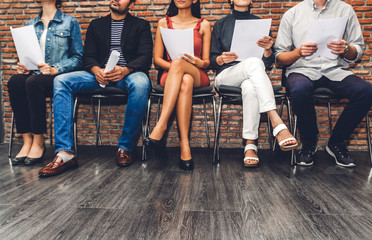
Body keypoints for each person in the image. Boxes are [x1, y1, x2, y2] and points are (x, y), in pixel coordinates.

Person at [38, 0, 152, 177]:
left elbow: (145, 57)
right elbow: (88, 56)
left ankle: (125, 148)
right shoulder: (96, 25)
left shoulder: (141, 25)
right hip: (97, 74)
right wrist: (95, 70)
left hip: (128, 74)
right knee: (61, 80)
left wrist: (125, 69)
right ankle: (65, 153)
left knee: (141, 83)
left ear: (132, 4)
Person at [275, 0, 372, 167]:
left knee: (366, 90)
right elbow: (279, 57)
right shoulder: (292, 14)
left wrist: (347, 48)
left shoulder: (346, 10)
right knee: (299, 88)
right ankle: (309, 143)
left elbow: (358, 50)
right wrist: (298, 52)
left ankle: (336, 142)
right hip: (302, 70)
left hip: (334, 69)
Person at [210, 0, 298, 167]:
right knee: (253, 63)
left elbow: (267, 63)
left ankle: (250, 145)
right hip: (227, 75)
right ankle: (276, 122)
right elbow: (211, 59)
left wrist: (267, 50)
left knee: (251, 87)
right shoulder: (221, 24)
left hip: (253, 76)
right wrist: (221, 58)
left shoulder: (261, 24)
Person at [8, 0, 83, 166]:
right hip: (35, 74)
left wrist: (55, 68)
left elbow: (78, 58)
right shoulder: (31, 24)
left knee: (33, 83)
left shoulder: (70, 22)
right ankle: (27, 141)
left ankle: (39, 141)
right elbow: (26, 55)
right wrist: (22, 65)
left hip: (57, 76)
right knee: (15, 82)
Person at [144, 0, 211, 170]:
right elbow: (158, 59)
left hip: (198, 73)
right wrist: (176, 68)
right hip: (170, 74)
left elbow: (207, 62)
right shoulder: (163, 23)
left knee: (184, 71)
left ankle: (162, 124)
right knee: (184, 80)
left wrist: (197, 62)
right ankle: (185, 145)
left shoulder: (203, 24)